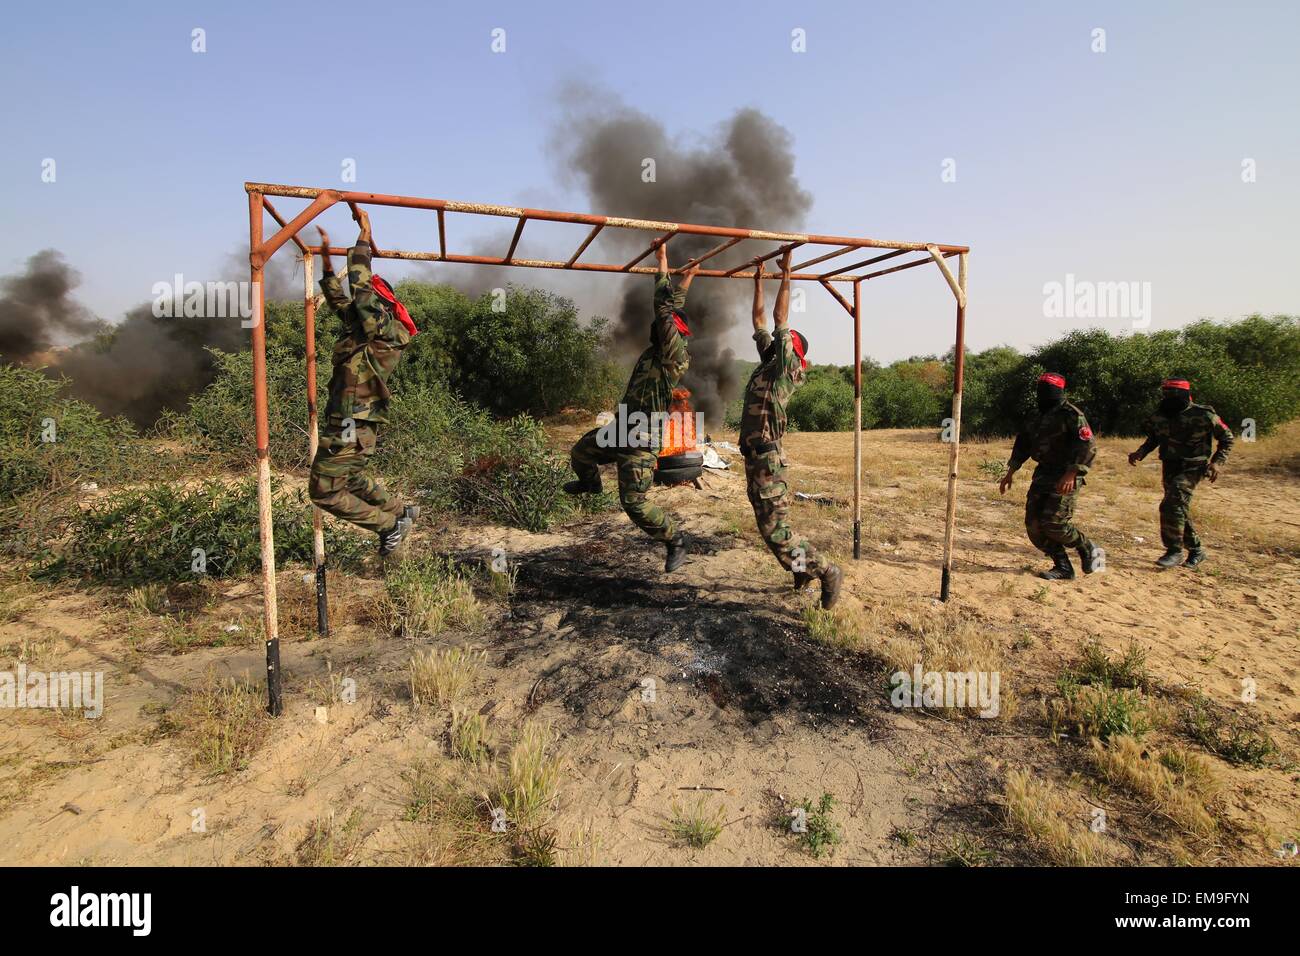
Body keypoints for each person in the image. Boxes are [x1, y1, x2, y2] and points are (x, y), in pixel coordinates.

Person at [565, 244, 698, 572]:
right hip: (622, 428)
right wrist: (689, 278)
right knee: (581, 451)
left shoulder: (673, 357)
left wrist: (663, 260)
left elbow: (665, 310)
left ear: (673, 335)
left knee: (634, 502)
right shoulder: (658, 350)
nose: (658, 326)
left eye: (666, 327)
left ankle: (674, 539)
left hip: (642, 437)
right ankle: (591, 485)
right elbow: (671, 311)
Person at [308, 210, 418, 556]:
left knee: (324, 490)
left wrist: (363, 237)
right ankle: (402, 512)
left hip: (351, 419)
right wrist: (326, 258)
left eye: (367, 304)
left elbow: (359, 285)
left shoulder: (384, 330)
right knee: (350, 477)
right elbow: (340, 299)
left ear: (381, 307)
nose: (358, 307)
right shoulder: (363, 330)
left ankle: (389, 526)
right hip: (354, 418)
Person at [737, 251, 842, 608]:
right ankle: (801, 569)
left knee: (777, 532)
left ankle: (826, 571)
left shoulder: (787, 368)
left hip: (767, 458)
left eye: (786, 338)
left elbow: (781, 317)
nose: (779, 339)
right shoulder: (770, 359)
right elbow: (760, 320)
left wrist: (788, 273)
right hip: (755, 459)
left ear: (792, 350)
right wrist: (758, 279)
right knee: (769, 531)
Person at [998, 372, 1101, 580]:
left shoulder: (1071, 414)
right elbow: (1023, 444)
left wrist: (1072, 473)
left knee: (1055, 524)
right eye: (1041, 388)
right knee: (1034, 526)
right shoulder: (1036, 415)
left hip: (1066, 474)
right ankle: (1063, 567)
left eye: (1048, 388)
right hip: (1043, 473)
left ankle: (1086, 546)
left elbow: (1088, 446)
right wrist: (1010, 472)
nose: (1043, 393)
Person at [1127, 378, 1234, 568]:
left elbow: (1227, 438)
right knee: (1178, 508)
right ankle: (1196, 550)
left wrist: (1217, 463)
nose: (1169, 397)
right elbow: (1154, 438)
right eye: (1166, 393)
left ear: (1184, 394)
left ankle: (1174, 551)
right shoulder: (1160, 415)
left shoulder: (1205, 415)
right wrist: (1141, 452)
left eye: (1173, 394)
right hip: (1170, 465)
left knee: (1170, 504)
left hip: (1194, 466)